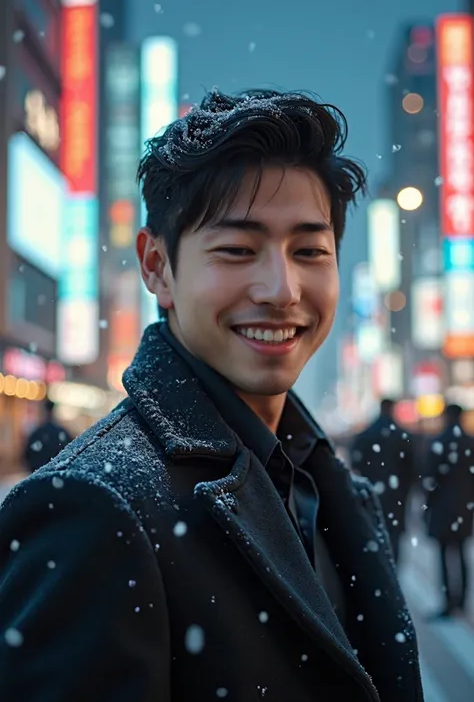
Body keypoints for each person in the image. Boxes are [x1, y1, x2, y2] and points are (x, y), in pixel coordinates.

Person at [0, 89, 423, 702]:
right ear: (157, 267)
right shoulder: (94, 506)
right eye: (236, 250)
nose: (281, 289)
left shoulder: (328, 485)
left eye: (309, 251)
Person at [423, 404, 474, 618]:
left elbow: (430, 478)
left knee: (444, 555)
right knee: (461, 552)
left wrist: (427, 505)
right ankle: (461, 600)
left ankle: (447, 601)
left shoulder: (439, 442)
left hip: (443, 507)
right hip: (464, 507)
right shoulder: (470, 443)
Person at [350, 399, 415, 564]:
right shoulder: (401, 435)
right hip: (397, 495)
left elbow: (355, 463)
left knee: (374, 531)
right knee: (394, 536)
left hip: (372, 492)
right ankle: (393, 569)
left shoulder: (367, 433)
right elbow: (412, 469)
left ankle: (379, 569)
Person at [22, 399, 73, 474]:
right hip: (58, 475)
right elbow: (71, 452)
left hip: (39, 475)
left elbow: (27, 455)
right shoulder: (62, 432)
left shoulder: (37, 433)